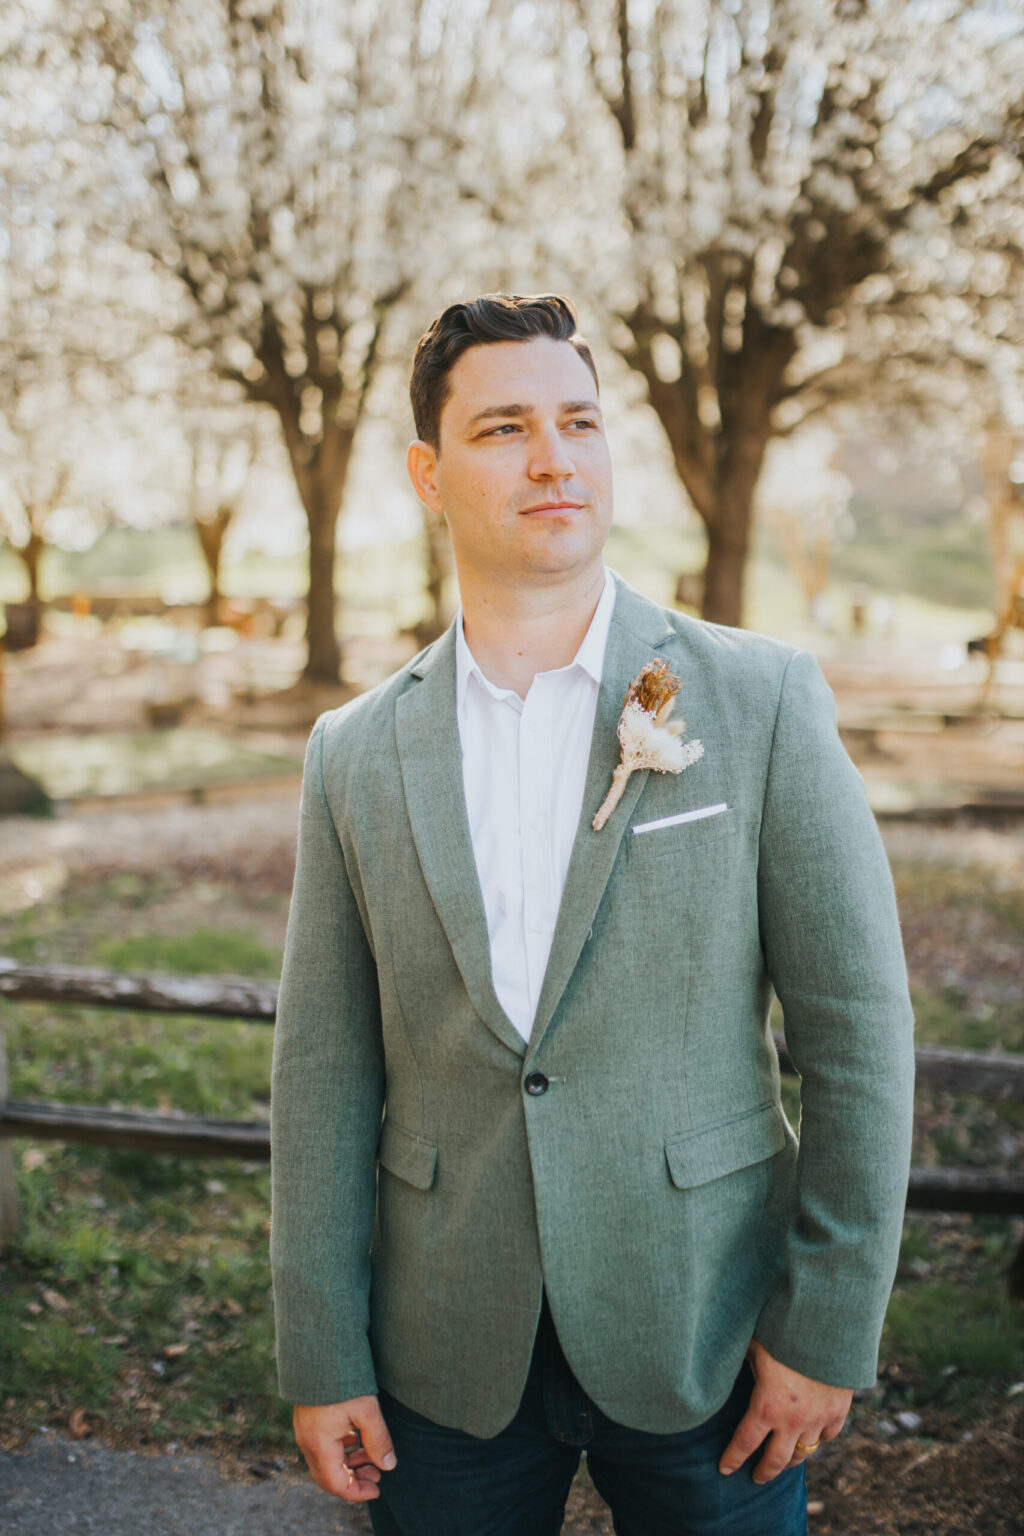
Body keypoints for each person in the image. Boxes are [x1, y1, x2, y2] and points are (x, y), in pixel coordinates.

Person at [270, 293, 915, 1536]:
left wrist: (826, 1326)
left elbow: (858, 1032)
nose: (553, 458)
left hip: (707, 1332)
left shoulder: (760, 700)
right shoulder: (352, 752)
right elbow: (322, 1071)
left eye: (578, 422)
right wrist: (322, 1351)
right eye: (504, 427)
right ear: (429, 472)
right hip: (444, 1345)